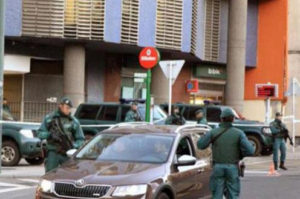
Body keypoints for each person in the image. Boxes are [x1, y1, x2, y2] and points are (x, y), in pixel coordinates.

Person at [198, 108, 254, 199]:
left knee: (217, 194)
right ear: (233, 119)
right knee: (233, 194)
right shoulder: (239, 133)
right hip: (232, 167)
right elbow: (250, 151)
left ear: (221, 119)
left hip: (218, 167)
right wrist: (240, 154)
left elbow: (200, 145)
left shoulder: (213, 132)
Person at [38, 97, 85, 172]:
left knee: (71, 174)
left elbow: (81, 139)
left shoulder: (73, 121)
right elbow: (40, 133)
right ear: (60, 106)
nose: (68, 110)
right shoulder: (49, 118)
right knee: (50, 174)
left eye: (70, 108)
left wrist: (74, 146)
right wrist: (49, 135)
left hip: (67, 152)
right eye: (67, 108)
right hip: (53, 152)